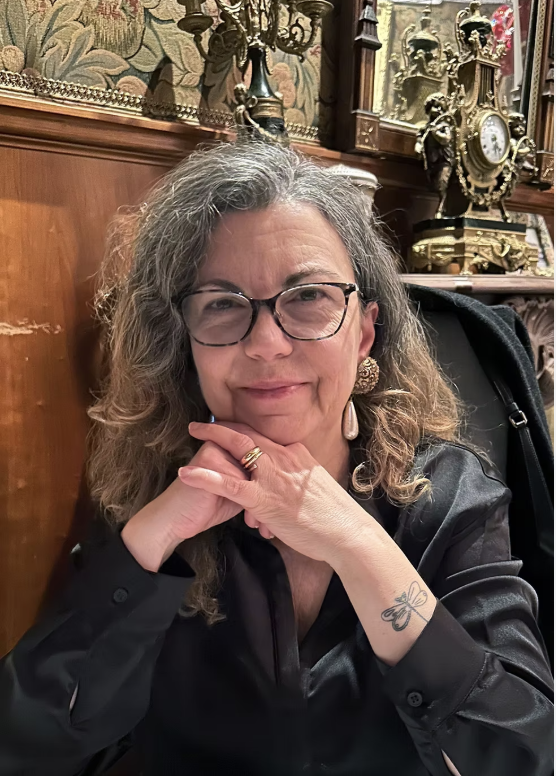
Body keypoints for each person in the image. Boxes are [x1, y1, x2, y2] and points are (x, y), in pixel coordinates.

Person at [0, 140, 553, 776]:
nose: (266, 344)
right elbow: (26, 748)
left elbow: (525, 757)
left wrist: (355, 544)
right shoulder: (147, 490)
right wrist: (148, 542)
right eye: (222, 305)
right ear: (188, 346)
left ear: (364, 332)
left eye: (308, 297)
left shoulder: (450, 493)